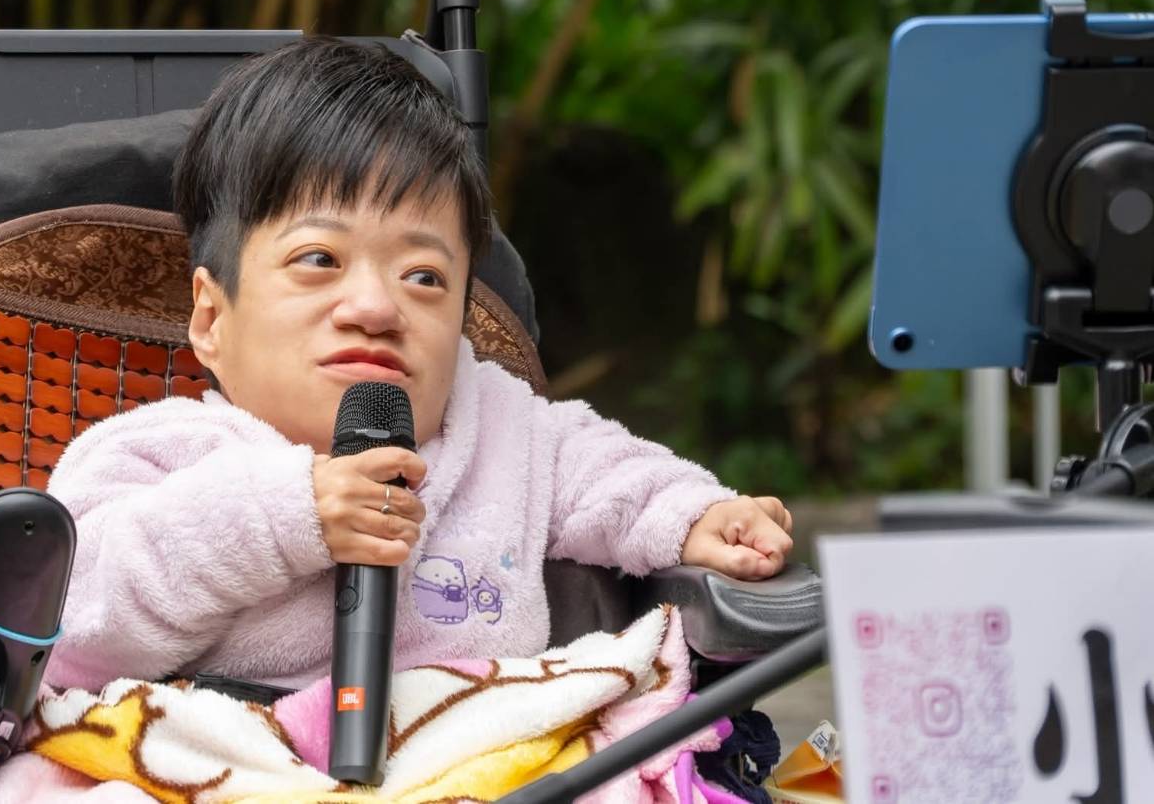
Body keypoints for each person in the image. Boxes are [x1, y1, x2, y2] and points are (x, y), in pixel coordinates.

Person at [42, 37, 793, 693]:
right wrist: (284, 515)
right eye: (319, 259)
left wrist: (696, 515)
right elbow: (71, 620)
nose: (376, 306)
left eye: (424, 277)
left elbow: (617, 476)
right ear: (212, 318)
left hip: (480, 761)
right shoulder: (159, 455)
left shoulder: (503, 433)